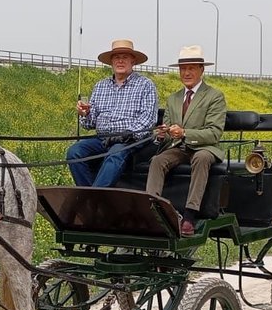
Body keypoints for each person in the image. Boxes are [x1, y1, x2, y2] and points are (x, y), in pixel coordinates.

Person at [146, 45, 228, 234]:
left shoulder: (214, 96)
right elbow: (167, 128)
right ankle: (154, 209)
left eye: (191, 68)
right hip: (179, 148)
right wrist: (161, 134)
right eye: (183, 69)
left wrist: (184, 133)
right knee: (158, 161)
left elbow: (214, 133)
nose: (187, 73)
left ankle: (190, 214)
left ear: (201, 70)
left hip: (205, 147)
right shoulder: (174, 98)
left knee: (201, 158)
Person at [67, 39, 158, 187]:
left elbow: (148, 119)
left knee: (115, 154)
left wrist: (128, 134)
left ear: (133, 61)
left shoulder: (146, 85)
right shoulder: (100, 86)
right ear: (111, 61)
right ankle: (89, 196)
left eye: (125, 57)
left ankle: (92, 200)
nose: (120, 61)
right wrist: (85, 114)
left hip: (129, 140)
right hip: (102, 138)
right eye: (116, 57)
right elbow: (90, 123)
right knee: (74, 152)